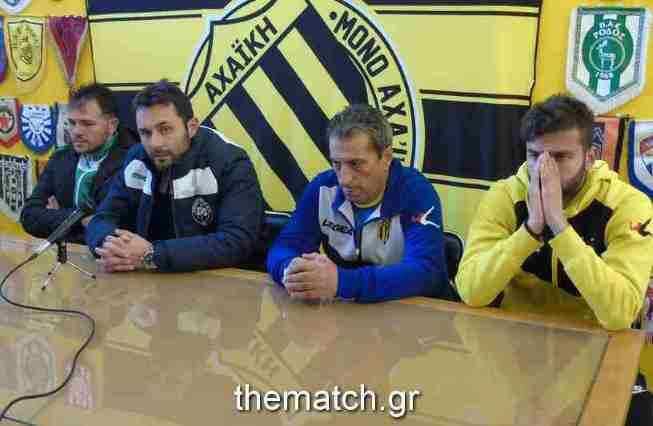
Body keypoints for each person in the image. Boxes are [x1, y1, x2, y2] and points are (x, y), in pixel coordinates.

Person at [456, 94, 653, 331]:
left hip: (593, 338)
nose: (543, 168)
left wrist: (560, 227)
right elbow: (471, 292)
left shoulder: (628, 205)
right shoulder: (505, 195)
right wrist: (530, 230)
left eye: (560, 157)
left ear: (589, 158)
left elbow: (620, 314)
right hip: (517, 335)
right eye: (534, 155)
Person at [266, 104, 451, 302]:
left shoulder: (416, 193)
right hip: (347, 311)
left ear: (386, 158)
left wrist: (342, 282)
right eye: (337, 164)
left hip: (416, 312)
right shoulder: (323, 188)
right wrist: (292, 272)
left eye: (356, 164)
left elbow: (426, 271)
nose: (344, 179)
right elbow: (284, 246)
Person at [85, 80, 263, 272]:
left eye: (165, 129)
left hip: (214, 278)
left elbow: (237, 241)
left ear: (191, 127)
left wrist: (152, 255)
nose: (155, 143)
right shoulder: (136, 158)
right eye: (145, 132)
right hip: (148, 274)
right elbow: (102, 218)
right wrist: (112, 247)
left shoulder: (230, 161)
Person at [20, 83, 138, 242]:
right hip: (67, 253)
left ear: (112, 125)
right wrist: (81, 220)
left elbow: (120, 229)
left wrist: (58, 218)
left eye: (87, 124)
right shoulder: (60, 158)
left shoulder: (134, 161)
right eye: (72, 123)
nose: (77, 132)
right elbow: (29, 216)